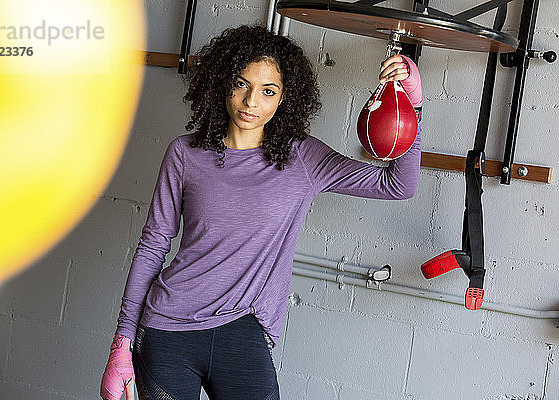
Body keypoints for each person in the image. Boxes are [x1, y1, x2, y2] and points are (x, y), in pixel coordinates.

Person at [100, 23, 423, 400]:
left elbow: (399, 184)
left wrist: (411, 102)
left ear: (284, 97)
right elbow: (153, 245)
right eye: (241, 84)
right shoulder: (184, 154)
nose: (251, 102)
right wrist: (122, 342)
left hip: (244, 330)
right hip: (168, 332)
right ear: (223, 83)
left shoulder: (302, 157)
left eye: (268, 91)